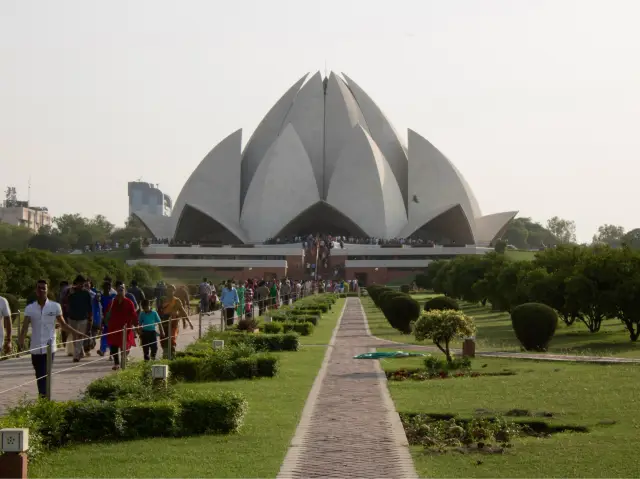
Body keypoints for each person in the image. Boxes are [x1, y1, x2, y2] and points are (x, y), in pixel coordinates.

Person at [19, 279, 87, 397]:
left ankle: (44, 396)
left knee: (45, 372)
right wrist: (20, 341)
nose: (41, 290)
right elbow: (24, 327)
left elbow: (63, 325)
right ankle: (43, 395)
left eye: (43, 288)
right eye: (39, 288)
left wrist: (76, 333)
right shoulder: (30, 308)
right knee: (39, 373)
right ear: (36, 290)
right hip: (35, 346)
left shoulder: (55, 306)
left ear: (47, 290)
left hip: (50, 346)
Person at [105, 284, 138, 370]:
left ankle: (123, 361)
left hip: (125, 328)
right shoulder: (113, 301)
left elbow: (133, 315)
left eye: (122, 290)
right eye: (119, 290)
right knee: (114, 345)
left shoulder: (129, 302)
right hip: (114, 327)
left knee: (124, 346)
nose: (120, 291)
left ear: (125, 291)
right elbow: (107, 312)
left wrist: (137, 325)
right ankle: (116, 363)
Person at [65, 275, 93, 362]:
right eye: (79, 283)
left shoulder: (86, 293)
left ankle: (76, 355)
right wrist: (70, 294)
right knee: (74, 337)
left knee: (80, 336)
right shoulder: (70, 292)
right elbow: (65, 302)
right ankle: (80, 352)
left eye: (83, 283)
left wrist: (90, 318)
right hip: (72, 317)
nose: (81, 285)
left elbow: (90, 307)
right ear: (76, 283)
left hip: (83, 318)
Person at [159, 284, 191, 358]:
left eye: (171, 290)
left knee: (172, 339)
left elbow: (182, 311)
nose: (170, 292)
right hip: (164, 322)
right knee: (163, 339)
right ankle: (165, 355)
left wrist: (188, 321)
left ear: (174, 291)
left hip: (174, 323)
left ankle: (172, 356)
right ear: (166, 291)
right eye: (168, 290)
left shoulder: (177, 301)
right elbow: (159, 311)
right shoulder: (163, 300)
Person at [97, 281, 116, 357]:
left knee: (111, 335)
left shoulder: (113, 297)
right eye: (106, 287)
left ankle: (111, 352)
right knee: (104, 335)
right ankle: (102, 350)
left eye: (109, 287)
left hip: (111, 319)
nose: (107, 289)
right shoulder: (100, 297)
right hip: (103, 318)